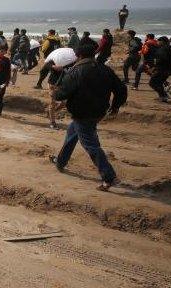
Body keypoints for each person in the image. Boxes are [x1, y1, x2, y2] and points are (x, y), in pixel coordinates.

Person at [50, 40, 127, 191]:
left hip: (82, 112)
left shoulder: (75, 71)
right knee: (72, 134)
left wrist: (56, 91)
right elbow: (121, 89)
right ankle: (60, 161)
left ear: (78, 56)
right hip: (98, 112)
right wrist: (115, 106)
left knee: (90, 145)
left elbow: (62, 94)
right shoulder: (105, 69)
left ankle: (109, 177)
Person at [149, 36, 171, 102]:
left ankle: (165, 96)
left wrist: (154, 67)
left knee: (152, 83)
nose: (157, 42)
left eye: (158, 41)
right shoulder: (170, 48)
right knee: (159, 83)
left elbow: (161, 60)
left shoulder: (163, 49)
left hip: (163, 69)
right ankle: (162, 96)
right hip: (169, 69)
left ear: (162, 42)